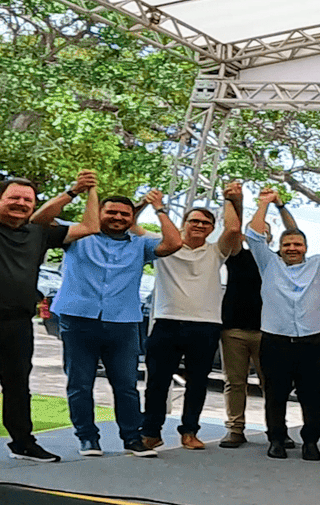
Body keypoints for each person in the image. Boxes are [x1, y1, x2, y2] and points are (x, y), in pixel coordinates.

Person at [56, 186, 180, 458]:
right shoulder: (77, 236)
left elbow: (173, 243)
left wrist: (158, 209)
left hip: (122, 322)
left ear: (132, 218)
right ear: (99, 213)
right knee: (80, 383)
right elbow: (41, 221)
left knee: (126, 384)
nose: (117, 217)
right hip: (79, 318)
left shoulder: (141, 244)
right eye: (111, 211)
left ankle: (132, 438)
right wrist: (74, 191)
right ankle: (88, 438)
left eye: (124, 214)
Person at [2, 171, 97, 462]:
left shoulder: (38, 233)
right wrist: (71, 191)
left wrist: (87, 190)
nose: (20, 203)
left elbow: (90, 226)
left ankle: (22, 443)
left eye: (27, 199)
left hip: (17, 322)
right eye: (13, 198)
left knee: (18, 386)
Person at [140, 188, 244, 451]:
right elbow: (130, 224)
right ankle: (151, 432)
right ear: (184, 224)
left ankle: (189, 432)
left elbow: (232, 229)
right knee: (157, 383)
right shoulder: (162, 244)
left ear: (211, 229)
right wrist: (149, 203)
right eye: (194, 221)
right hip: (167, 321)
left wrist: (229, 199)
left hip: (205, 326)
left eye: (205, 223)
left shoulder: (216, 251)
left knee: (197, 383)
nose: (199, 226)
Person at [248, 188, 320, 460]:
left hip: (312, 342)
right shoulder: (268, 264)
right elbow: (253, 234)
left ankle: (311, 441)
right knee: (275, 395)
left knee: (312, 396)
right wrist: (266, 203)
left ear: (306, 248)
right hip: (276, 341)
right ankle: (276, 438)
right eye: (287, 245)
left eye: (297, 244)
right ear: (279, 248)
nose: (292, 248)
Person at [217, 185, 296, 448]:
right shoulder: (238, 255)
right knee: (235, 382)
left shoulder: (280, 261)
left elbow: (294, 233)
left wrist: (279, 205)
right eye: (257, 230)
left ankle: (277, 430)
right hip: (235, 329)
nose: (260, 233)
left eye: (266, 232)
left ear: (271, 239)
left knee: (273, 384)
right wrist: (235, 200)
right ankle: (235, 428)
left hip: (270, 331)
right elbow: (236, 230)